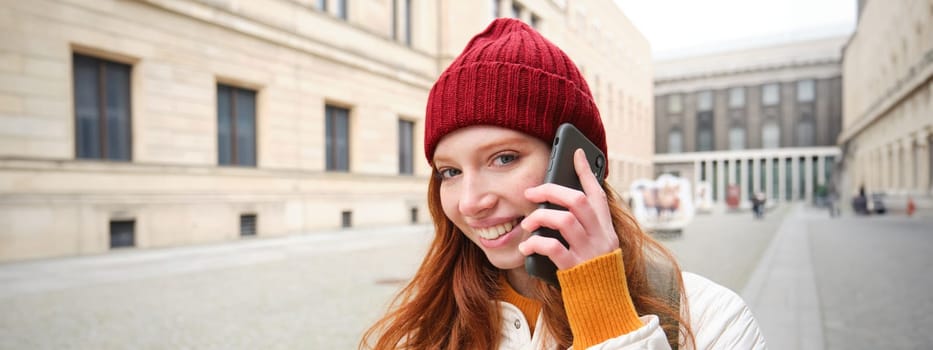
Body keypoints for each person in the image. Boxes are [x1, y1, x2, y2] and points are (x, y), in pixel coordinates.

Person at [360, 18, 766, 350]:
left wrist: (606, 314)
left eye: (504, 158)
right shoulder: (425, 330)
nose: (470, 203)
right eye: (450, 172)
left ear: (577, 162)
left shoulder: (711, 320)